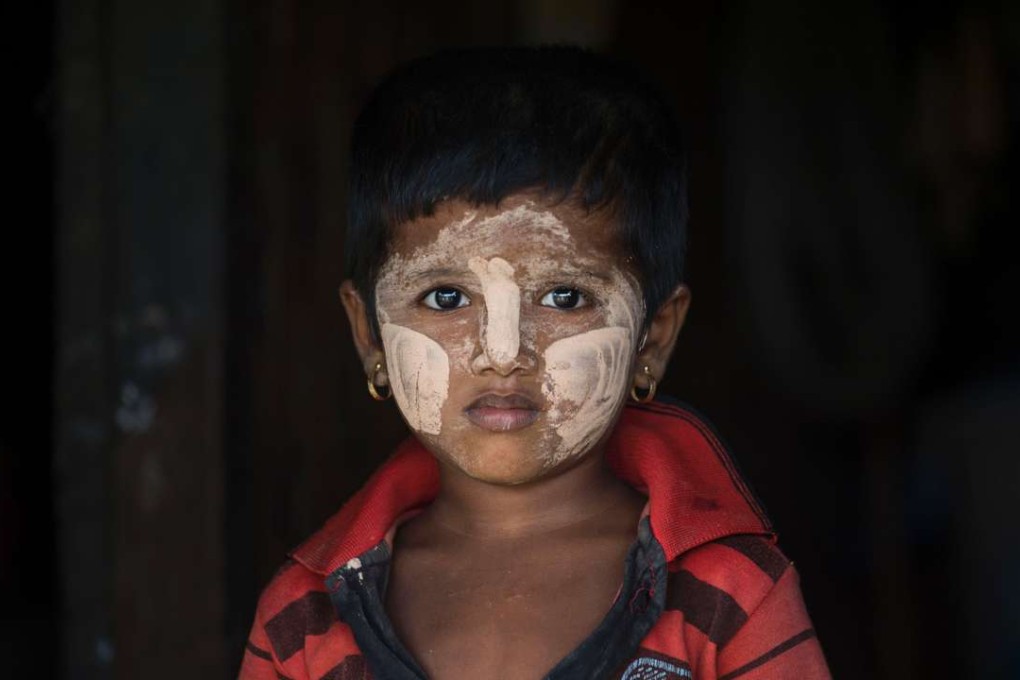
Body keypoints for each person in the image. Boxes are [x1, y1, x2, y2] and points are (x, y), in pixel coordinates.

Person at [239, 46, 831, 680]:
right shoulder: (305, 616)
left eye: (564, 297)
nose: (502, 352)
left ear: (653, 338)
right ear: (370, 336)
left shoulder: (730, 596)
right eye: (446, 297)